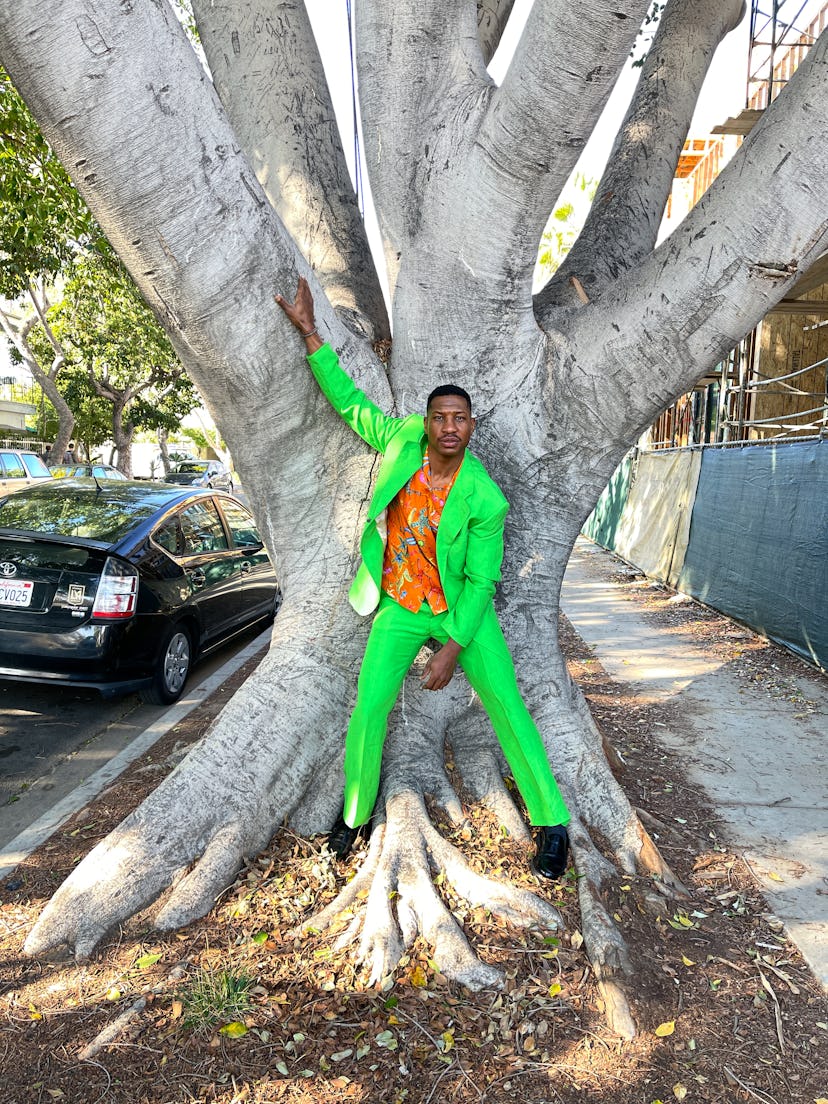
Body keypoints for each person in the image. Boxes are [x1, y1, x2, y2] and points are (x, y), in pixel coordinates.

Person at [275, 279, 571, 879]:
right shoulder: (403, 440)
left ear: (471, 426)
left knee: (507, 704)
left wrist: (452, 650)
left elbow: (483, 583)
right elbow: (351, 404)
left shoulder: (485, 499)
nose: (449, 427)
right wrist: (311, 335)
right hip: (401, 605)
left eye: (460, 419)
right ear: (428, 423)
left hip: (461, 611)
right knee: (369, 707)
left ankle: (552, 821)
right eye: (440, 418)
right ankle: (355, 815)